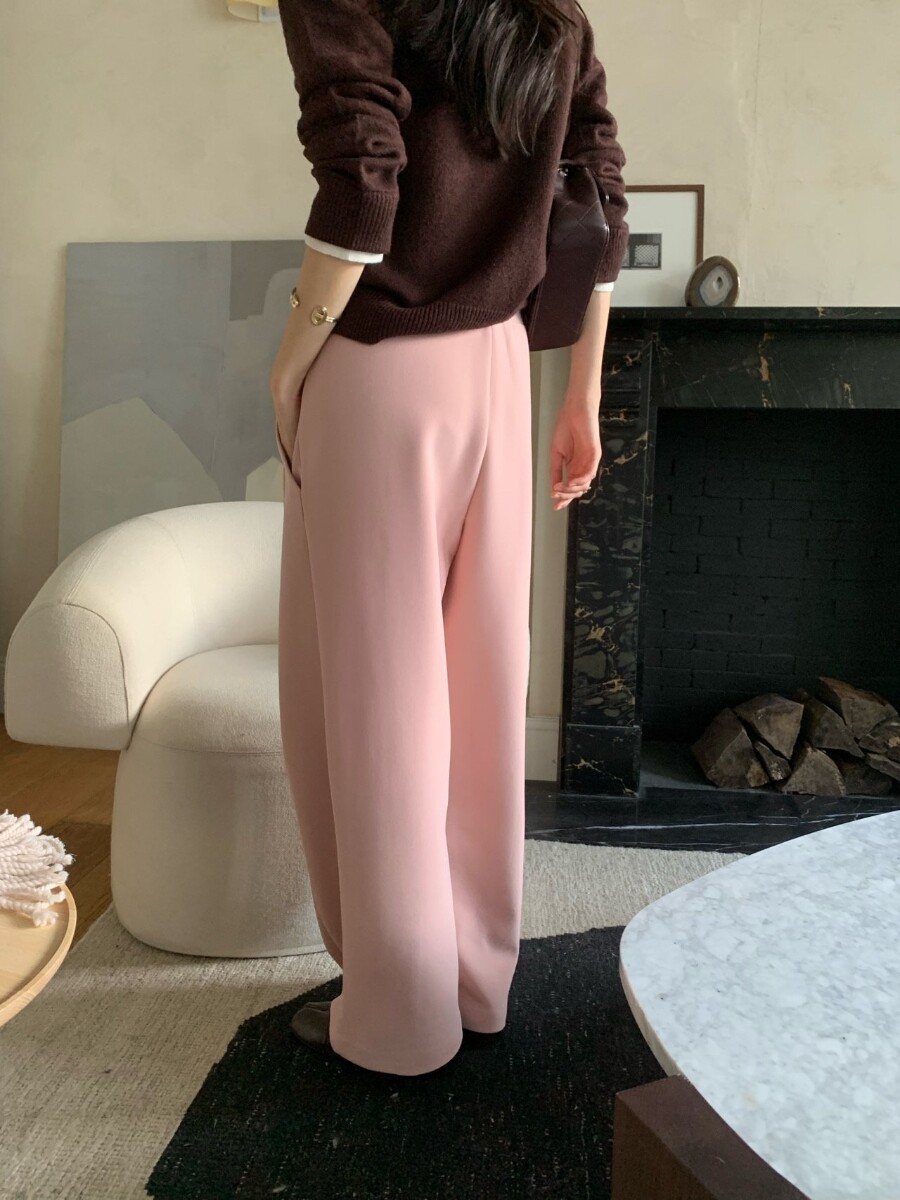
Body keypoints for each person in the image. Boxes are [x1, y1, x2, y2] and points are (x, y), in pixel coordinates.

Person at [269, 0, 629, 1077]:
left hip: (382, 367)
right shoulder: (550, 9)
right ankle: (474, 983)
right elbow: (599, 186)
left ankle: (396, 1019)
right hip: (501, 364)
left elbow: (363, 170)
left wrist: (291, 356)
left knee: (376, 697)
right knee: (480, 686)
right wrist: (583, 393)